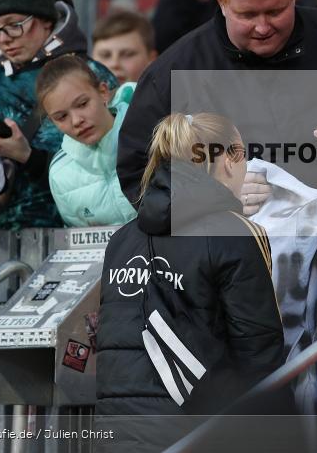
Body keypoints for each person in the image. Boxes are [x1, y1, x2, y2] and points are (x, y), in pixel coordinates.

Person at [118, 0, 317, 208]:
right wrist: (220, 196)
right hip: (232, 242)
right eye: (247, 14)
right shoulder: (174, 72)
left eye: (275, 12)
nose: (262, 27)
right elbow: (139, 177)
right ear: (221, 1)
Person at [96, 113, 284, 452]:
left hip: (116, 430)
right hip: (200, 429)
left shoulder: (121, 239)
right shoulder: (234, 232)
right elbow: (259, 353)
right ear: (230, 159)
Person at [0, 0, 117, 230]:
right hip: (1, 241)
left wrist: (29, 157)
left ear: (46, 21)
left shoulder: (89, 74)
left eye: (14, 25)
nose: (3, 39)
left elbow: (116, 159)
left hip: (82, 233)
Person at [36, 56, 136, 227]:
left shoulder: (152, 134)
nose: (76, 121)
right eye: (61, 117)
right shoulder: (60, 175)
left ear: (103, 92)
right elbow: (81, 249)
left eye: (82, 104)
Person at [91, 10, 158, 84]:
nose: (114, 63)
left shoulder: (172, 92)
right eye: (105, 55)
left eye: (127, 54)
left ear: (151, 59)